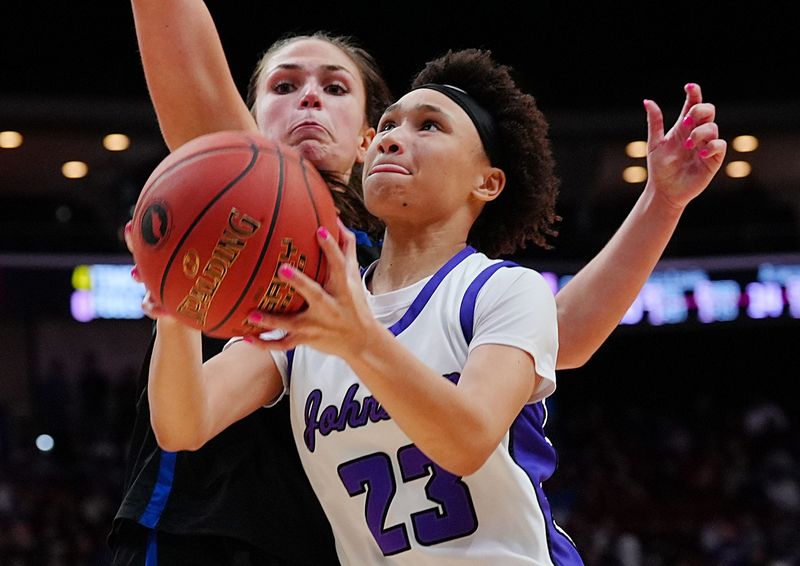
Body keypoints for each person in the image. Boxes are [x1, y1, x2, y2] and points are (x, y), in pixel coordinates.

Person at [112, 1, 726, 563]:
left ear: (360, 137)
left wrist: (661, 203)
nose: (309, 101)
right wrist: (174, 305)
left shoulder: (476, 289)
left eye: (334, 87)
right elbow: (182, 421)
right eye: (284, 85)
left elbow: (544, 352)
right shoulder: (299, 280)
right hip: (205, 529)